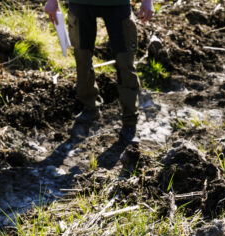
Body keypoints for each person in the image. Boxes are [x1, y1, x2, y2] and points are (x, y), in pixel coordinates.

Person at [44, 0, 154, 143]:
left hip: (117, 5)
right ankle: (90, 107)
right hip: (80, 4)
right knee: (82, 59)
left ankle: (130, 120)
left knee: (125, 62)